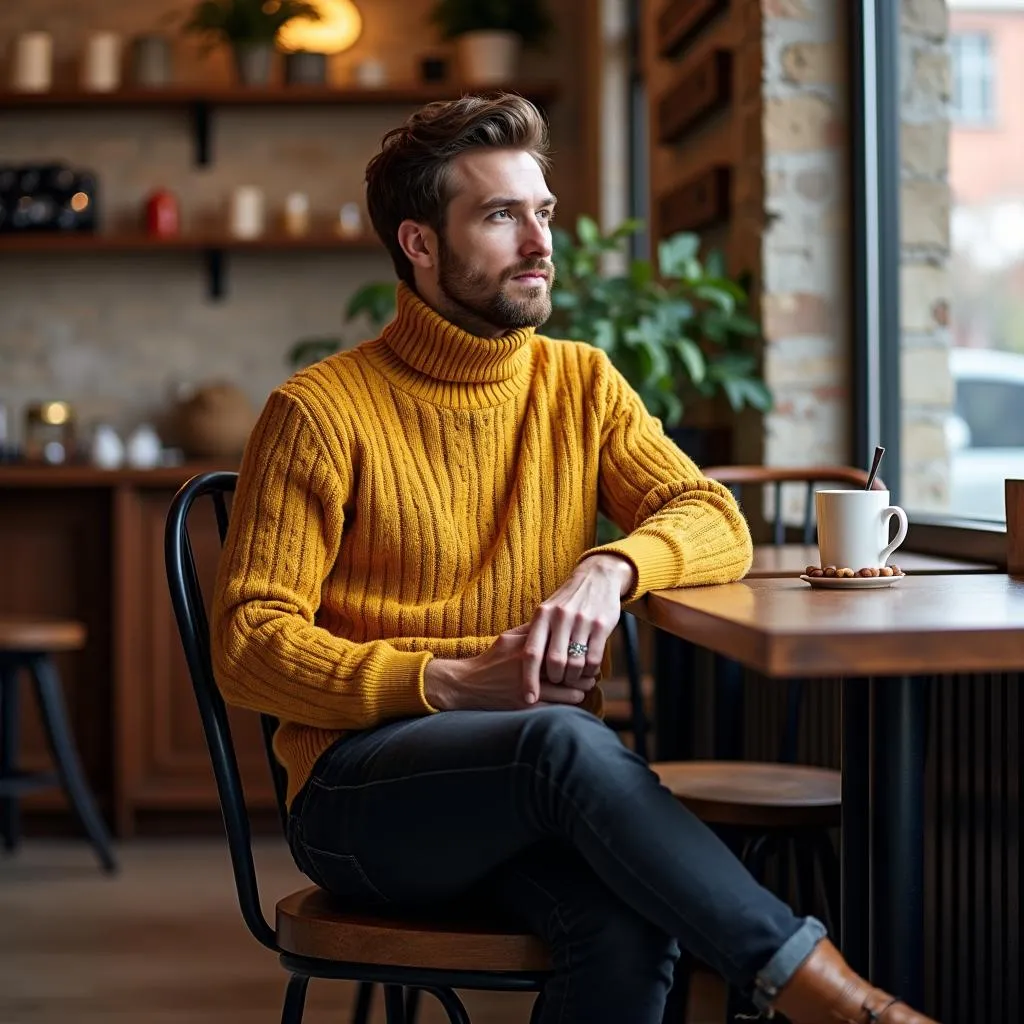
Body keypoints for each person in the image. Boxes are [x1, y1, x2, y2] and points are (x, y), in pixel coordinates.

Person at [211, 93, 939, 1024]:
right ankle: (835, 999)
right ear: (420, 244)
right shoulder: (320, 411)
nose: (538, 241)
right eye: (500, 215)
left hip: (533, 796)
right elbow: (249, 645)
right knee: (562, 743)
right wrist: (449, 681)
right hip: (364, 797)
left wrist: (613, 566)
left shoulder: (580, 382)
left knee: (631, 930)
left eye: (542, 211)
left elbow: (714, 517)